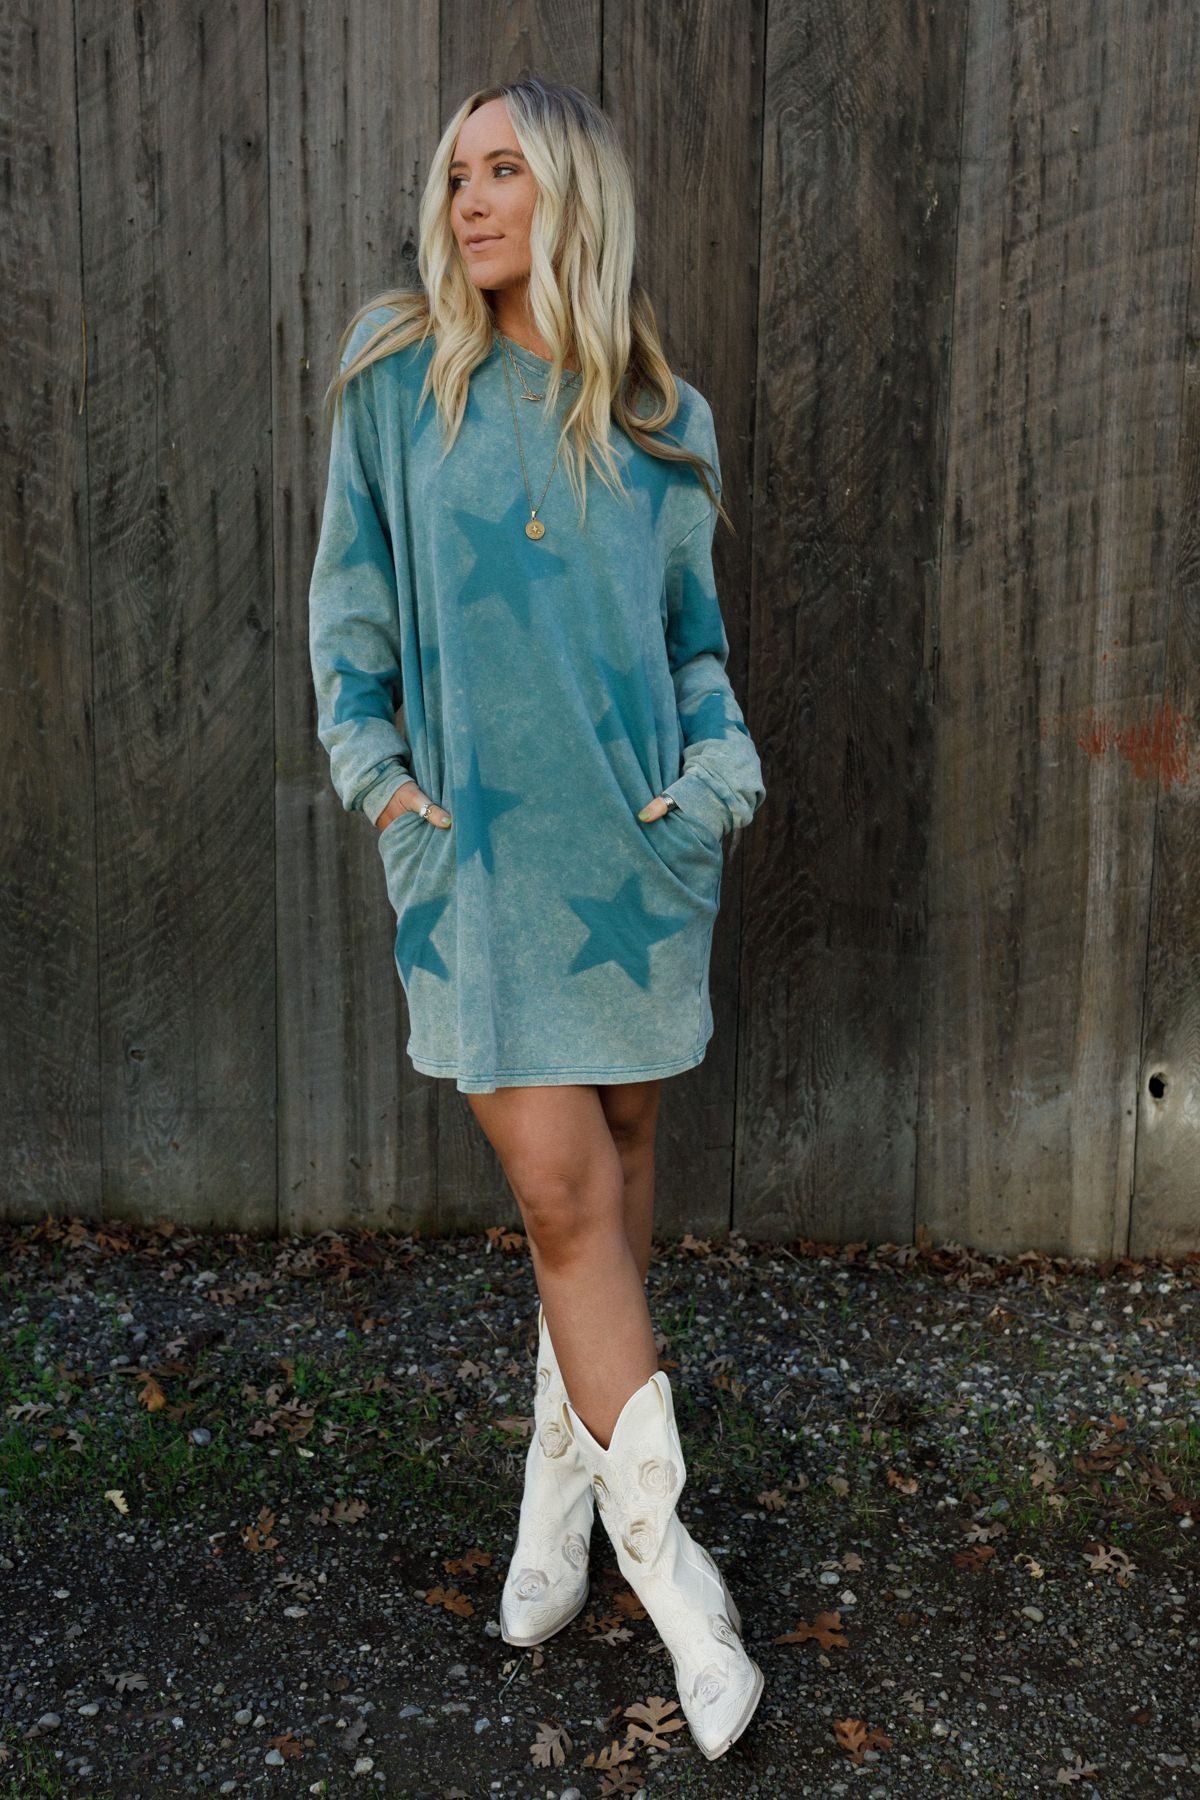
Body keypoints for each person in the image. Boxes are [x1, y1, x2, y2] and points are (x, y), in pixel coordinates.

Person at [307, 76, 766, 1760]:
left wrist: (717, 771)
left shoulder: (657, 414)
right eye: (458, 175)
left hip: (635, 860)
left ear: (571, 193)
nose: (473, 200)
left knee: (617, 1179)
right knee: (567, 1198)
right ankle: (681, 1585)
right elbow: (347, 628)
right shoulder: (395, 384)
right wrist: (382, 788)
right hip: (480, 878)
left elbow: (693, 643)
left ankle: (554, 1507)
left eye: (505, 170)